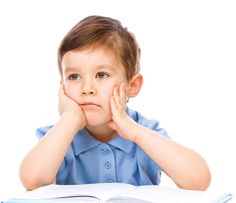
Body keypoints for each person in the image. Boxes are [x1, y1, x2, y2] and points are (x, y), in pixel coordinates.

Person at [19, 15, 211, 191]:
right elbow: (32, 181)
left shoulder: (145, 132)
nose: (87, 88)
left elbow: (199, 181)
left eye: (101, 75)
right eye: (74, 76)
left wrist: (135, 133)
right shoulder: (58, 136)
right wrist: (69, 120)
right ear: (62, 89)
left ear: (132, 86)